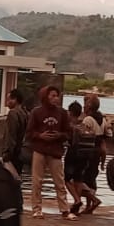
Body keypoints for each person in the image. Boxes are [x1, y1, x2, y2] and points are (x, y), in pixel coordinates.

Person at [26, 84, 74, 219]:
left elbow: (68, 133)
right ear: (45, 97)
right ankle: (36, 209)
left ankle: (65, 209)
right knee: (37, 181)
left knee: (59, 181)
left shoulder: (62, 113)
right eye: (52, 96)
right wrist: (40, 136)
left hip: (55, 151)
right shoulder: (36, 112)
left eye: (57, 96)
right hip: (39, 149)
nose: (55, 98)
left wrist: (59, 135)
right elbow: (29, 133)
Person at [65, 100, 102, 215]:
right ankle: (88, 201)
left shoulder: (71, 127)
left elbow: (68, 141)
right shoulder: (84, 125)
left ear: (70, 112)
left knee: (66, 179)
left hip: (73, 155)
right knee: (78, 180)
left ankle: (77, 200)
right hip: (85, 156)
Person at [2, 87, 30, 174]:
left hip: (14, 152)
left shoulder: (13, 113)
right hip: (22, 150)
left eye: (9, 99)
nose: (7, 102)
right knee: (18, 174)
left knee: (10, 175)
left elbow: (11, 134)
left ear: (15, 100)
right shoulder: (26, 113)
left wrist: (7, 152)